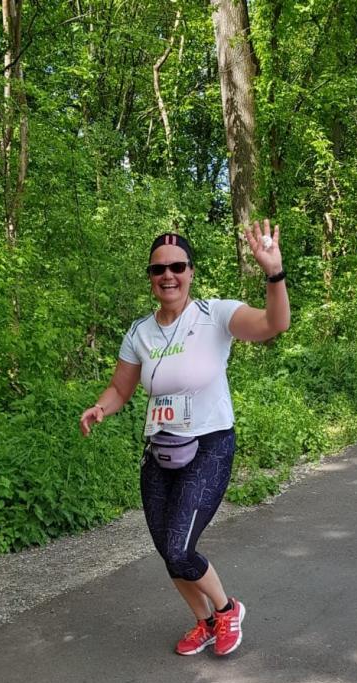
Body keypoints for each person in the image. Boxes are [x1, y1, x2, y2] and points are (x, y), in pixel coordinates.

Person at [80, 221, 290, 656]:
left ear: (191, 272)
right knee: (167, 550)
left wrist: (274, 273)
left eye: (177, 267)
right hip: (160, 450)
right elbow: (120, 388)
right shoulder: (140, 332)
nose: (168, 275)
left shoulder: (217, 315)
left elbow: (275, 323)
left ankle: (227, 609)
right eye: (159, 269)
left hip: (210, 446)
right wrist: (101, 407)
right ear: (150, 277)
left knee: (180, 548)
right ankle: (205, 622)